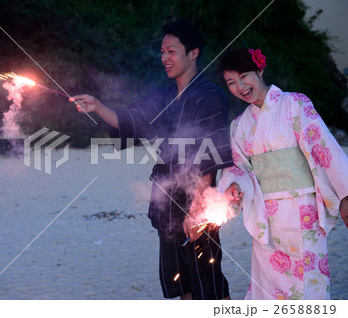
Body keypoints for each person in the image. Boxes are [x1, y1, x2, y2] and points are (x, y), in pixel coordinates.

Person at [70, 20, 233, 300]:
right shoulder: (164, 95)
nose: (165, 58)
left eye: (171, 51)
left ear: (193, 53)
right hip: (165, 195)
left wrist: (197, 210)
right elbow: (130, 121)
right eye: (162, 52)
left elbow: (210, 156)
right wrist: (97, 106)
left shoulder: (211, 96)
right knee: (182, 284)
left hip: (198, 196)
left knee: (209, 283)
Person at [217, 47, 348, 300]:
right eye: (231, 82)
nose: (240, 86)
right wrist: (236, 185)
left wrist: (345, 194)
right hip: (266, 218)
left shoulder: (295, 104)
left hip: (302, 212)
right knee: (267, 291)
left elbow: (324, 147)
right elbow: (239, 168)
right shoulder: (240, 125)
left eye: (244, 75)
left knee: (307, 289)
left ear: (260, 70)